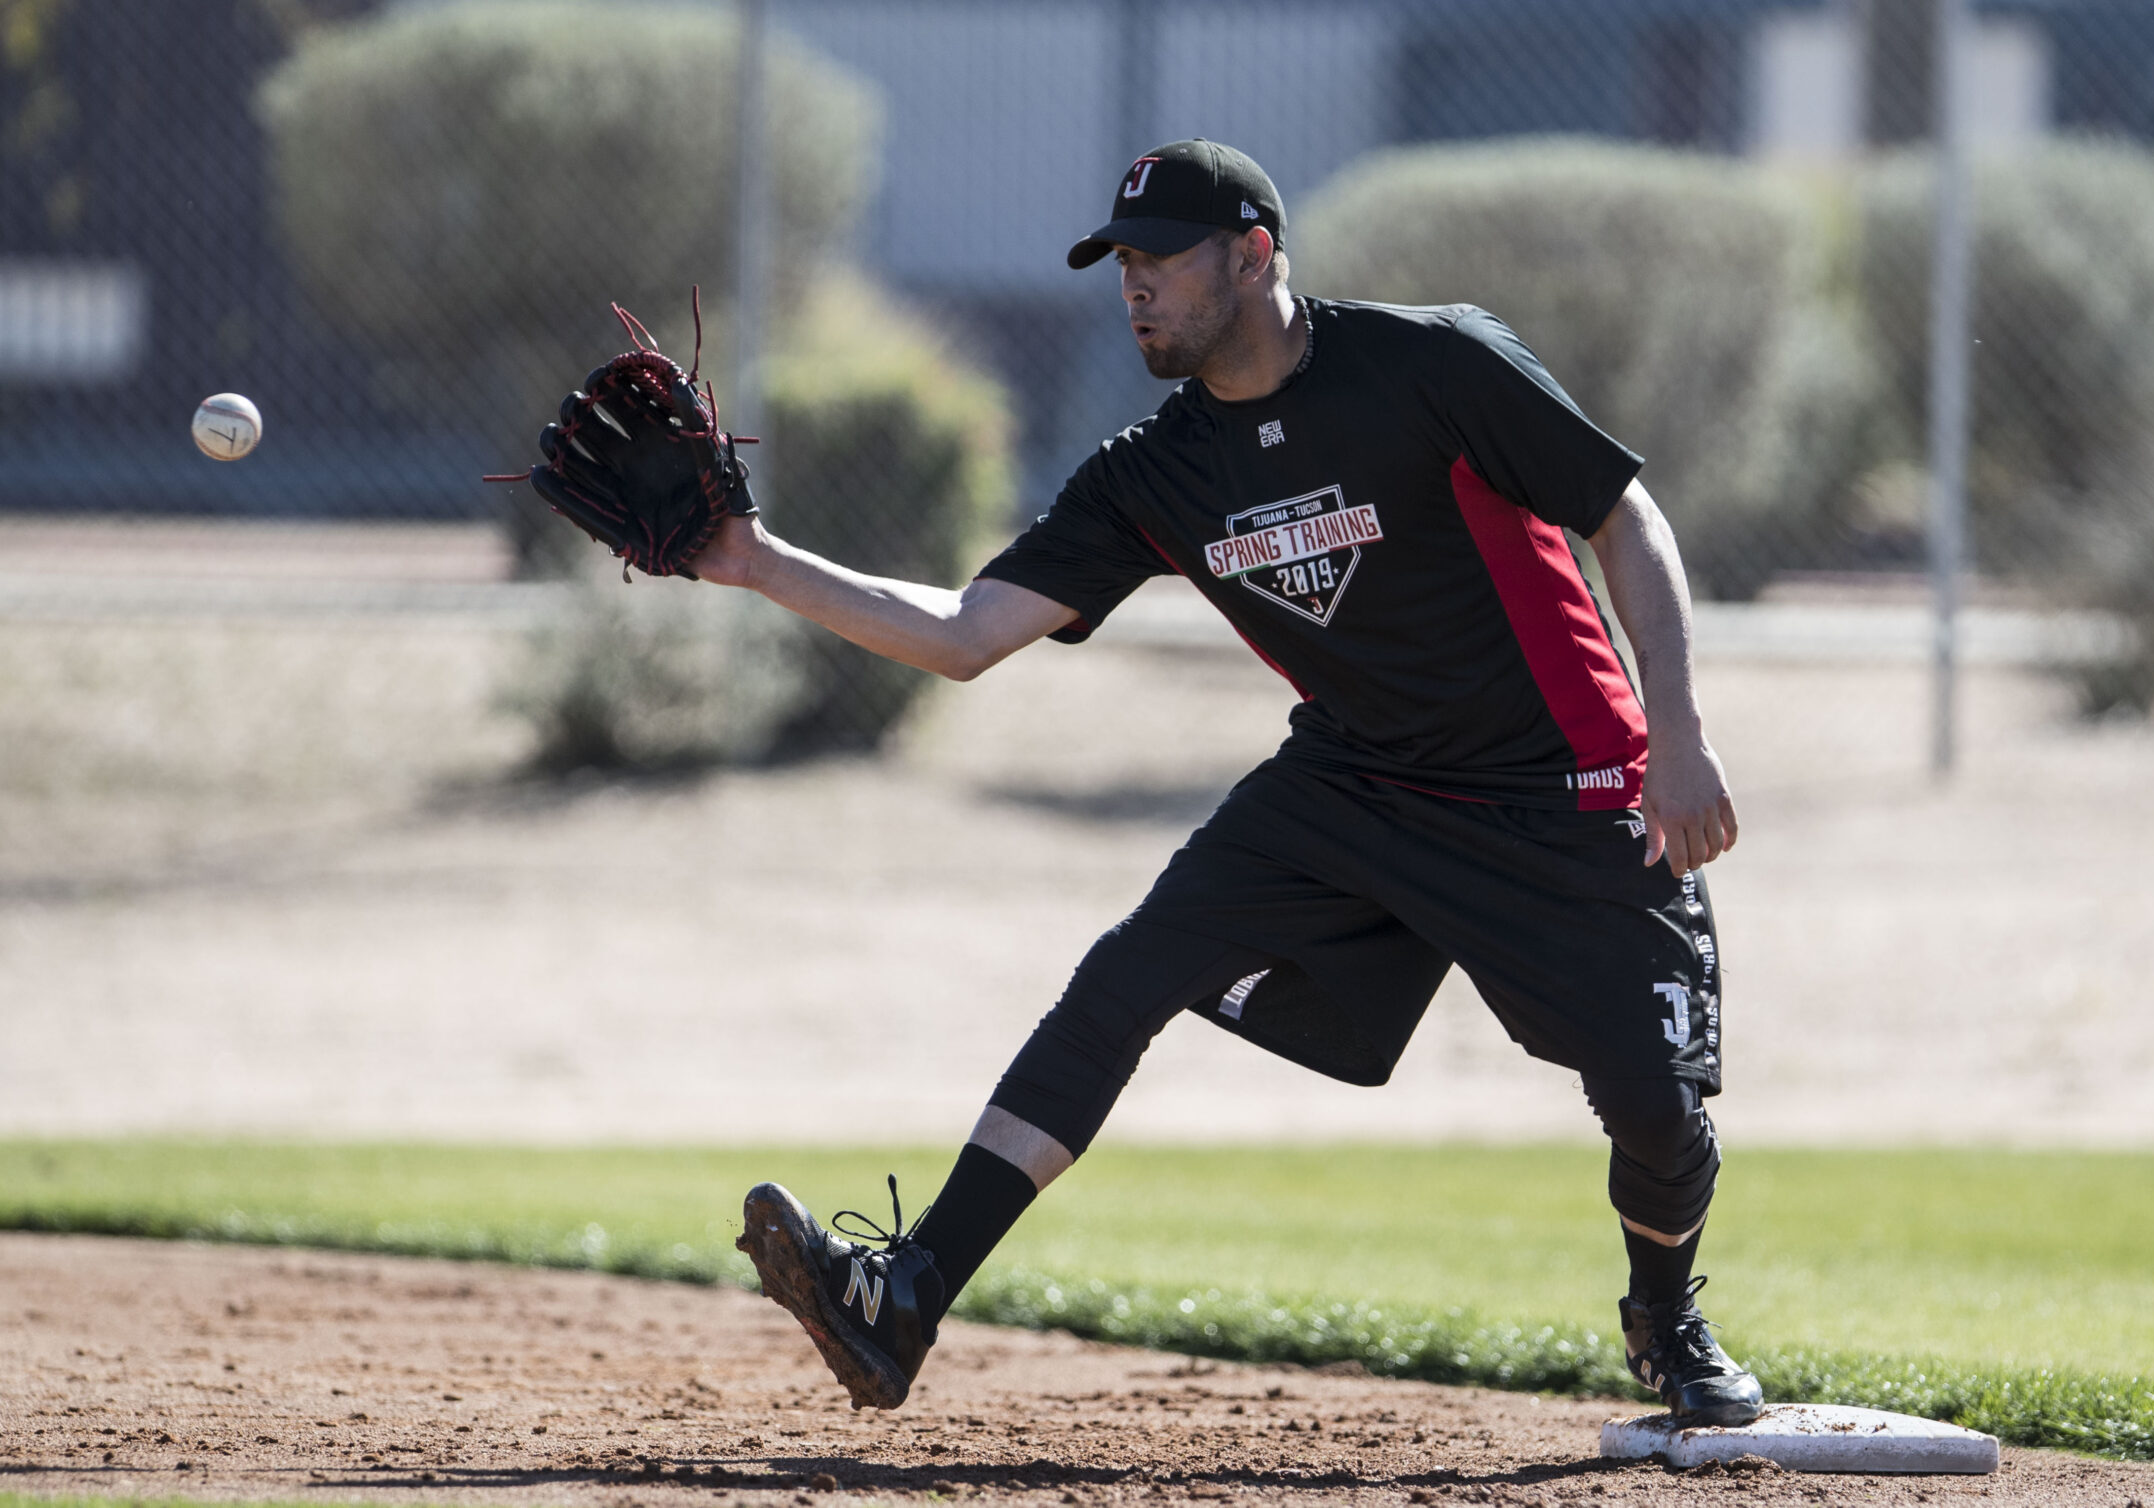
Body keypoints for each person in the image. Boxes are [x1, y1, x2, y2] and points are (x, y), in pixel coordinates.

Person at [704, 139, 1759, 1426]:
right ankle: (906, 1292)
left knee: (1654, 1107)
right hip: (1356, 780)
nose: (1133, 285)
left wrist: (1678, 732)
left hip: (1564, 777)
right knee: (1126, 970)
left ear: (1253, 255)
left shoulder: (1432, 362)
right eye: (1120, 263)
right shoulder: (1154, 469)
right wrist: (753, 559)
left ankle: (1665, 1312)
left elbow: (1623, 515)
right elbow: (965, 632)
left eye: (1160, 258)